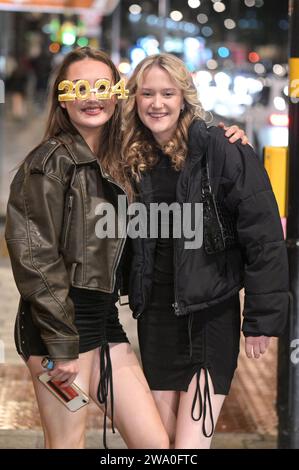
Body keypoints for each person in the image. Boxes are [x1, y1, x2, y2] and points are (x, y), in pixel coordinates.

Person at [5, 46, 248, 450]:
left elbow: (177, 126)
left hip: (105, 328)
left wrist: (223, 134)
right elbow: (35, 259)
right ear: (63, 98)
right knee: (66, 443)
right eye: (79, 87)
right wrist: (62, 345)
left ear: (119, 94)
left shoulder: (125, 159)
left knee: (155, 444)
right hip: (56, 332)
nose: (91, 96)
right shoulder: (48, 164)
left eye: (102, 86)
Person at [122, 53, 289, 449]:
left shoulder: (220, 148)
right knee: (157, 445)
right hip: (157, 317)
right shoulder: (131, 154)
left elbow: (263, 235)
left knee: (189, 447)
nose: (157, 103)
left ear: (184, 97)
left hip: (210, 315)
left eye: (167, 93)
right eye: (147, 93)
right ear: (134, 98)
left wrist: (262, 318)